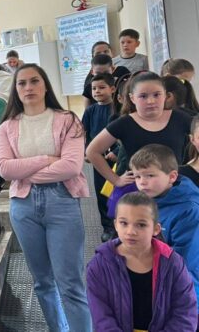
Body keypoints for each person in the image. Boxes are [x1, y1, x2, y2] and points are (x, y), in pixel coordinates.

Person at [0, 63, 91, 331]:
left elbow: (71, 167)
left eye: (34, 81)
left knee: (70, 283)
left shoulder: (68, 119)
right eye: (21, 83)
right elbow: (4, 169)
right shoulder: (6, 128)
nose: (28, 87)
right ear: (15, 90)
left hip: (62, 202)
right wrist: (47, 160)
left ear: (45, 85)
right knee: (42, 282)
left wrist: (25, 169)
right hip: (24, 207)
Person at [87, 72, 192, 219]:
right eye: (143, 96)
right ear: (132, 98)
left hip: (172, 189)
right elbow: (92, 151)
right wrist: (115, 180)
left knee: (175, 234)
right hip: (138, 190)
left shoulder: (180, 118)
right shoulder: (124, 123)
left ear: (166, 96)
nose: (150, 101)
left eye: (156, 95)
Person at [87, 191, 198, 331]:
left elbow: (185, 312)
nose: (130, 231)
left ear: (156, 229)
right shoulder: (99, 265)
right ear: (115, 225)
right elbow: (101, 317)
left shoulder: (173, 263)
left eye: (141, 225)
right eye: (124, 223)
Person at [130, 144, 199, 308]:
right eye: (138, 176)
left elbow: (189, 264)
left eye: (150, 176)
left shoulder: (188, 211)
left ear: (172, 176)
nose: (142, 183)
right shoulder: (143, 200)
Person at [81, 73, 117, 240]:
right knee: (102, 193)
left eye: (102, 87)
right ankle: (108, 227)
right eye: (94, 88)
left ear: (113, 89)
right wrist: (86, 150)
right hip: (98, 158)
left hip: (117, 158)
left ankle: (120, 224)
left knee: (118, 192)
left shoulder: (118, 109)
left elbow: (123, 134)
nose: (97, 91)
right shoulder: (90, 110)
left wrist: (116, 152)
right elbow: (83, 133)